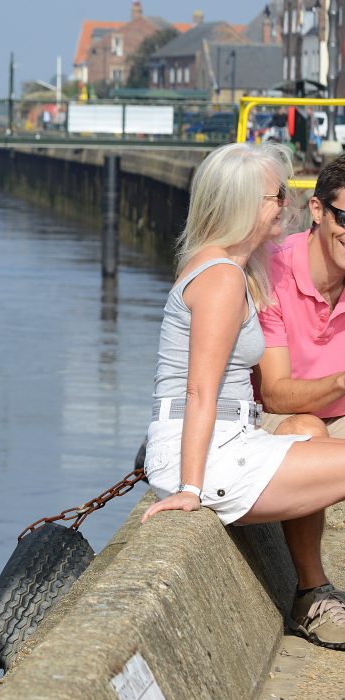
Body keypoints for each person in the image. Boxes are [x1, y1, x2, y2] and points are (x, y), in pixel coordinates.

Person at [141, 141, 345, 651]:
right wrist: (190, 486)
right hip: (214, 455)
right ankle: (314, 594)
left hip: (235, 440)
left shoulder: (233, 269)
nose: (287, 205)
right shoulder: (222, 280)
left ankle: (313, 590)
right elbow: (199, 390)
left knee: (311, 436)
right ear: (245, 205)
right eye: (278, 195)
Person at [254, 155, 345, 652]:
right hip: (275, 421)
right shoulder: (274, 273)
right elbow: (275, 391)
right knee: (306, 430)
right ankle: (311, 595)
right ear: (318, 210)